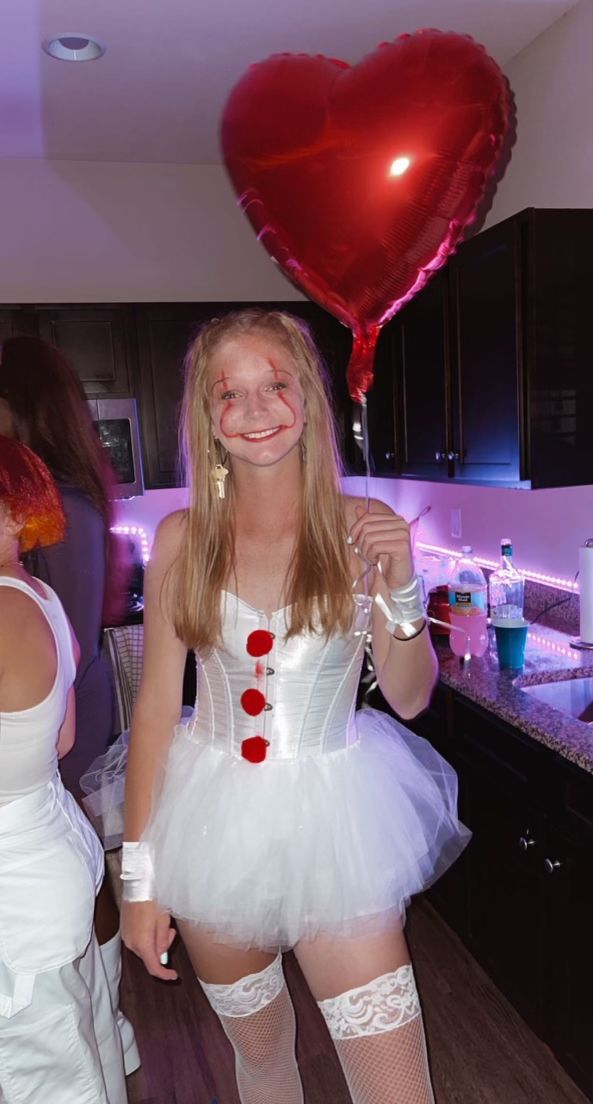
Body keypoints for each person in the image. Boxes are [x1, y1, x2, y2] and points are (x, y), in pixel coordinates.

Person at [120, 310, 470, 1104]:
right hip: (209, 826)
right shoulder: (179, 537)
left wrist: (402, 583)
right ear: (207, 419)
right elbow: (150, 715)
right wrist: (138, 883)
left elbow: (411, 699)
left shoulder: (362, 531)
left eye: (274, 385)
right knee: (265, 1061)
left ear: (307, 398)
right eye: (229, 393)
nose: (254, 410)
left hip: (338, 824)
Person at [0, 335, 139, 1075]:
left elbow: (70, 639)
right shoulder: (67, 494)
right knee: (82, 862)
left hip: (60, 710)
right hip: (62, 705)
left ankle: (103, 1013)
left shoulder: (55, 504)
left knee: (81, 864)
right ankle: (105, 1020)